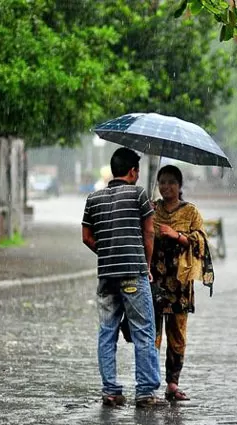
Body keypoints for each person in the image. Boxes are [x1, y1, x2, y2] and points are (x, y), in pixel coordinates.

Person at [81, 147, 164, 408]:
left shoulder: (93, 198)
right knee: (143, 332)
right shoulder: (139, 195)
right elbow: (149, 234)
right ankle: (145, 392)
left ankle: (110, 391)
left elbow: (86, 236)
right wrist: (146, 265)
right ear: (132, 171)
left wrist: (106, 252)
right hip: (133, 274)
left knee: (107, 332)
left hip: (106, 276)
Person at [151, 165, 214, 402]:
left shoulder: (190, 212)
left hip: (180, 284)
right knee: (152, 334)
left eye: (171, 182)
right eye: (162, 182)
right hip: (155, 281)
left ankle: (172, 384)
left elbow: (201, 242)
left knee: (177, 334)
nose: (166, 187)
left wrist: (175, 235)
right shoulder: (151, 208)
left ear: (180, 186)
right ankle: (149, 383)